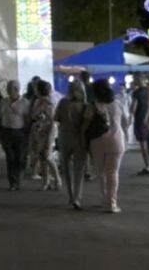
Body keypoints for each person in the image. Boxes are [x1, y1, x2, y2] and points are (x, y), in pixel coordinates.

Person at [86, 79, 127, 213]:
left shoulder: (93, 105)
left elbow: (86, 123)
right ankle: (112, 203)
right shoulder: (117, 103)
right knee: (113, 172)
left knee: (100, 172)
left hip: (97, 141)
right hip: (116, 139)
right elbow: (127, 120)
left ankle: (104, 198)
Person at [55, 80, 88, 209]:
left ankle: (69, 195)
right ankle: (77, 197)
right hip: (79, 137)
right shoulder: (84, 105)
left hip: (64, 136)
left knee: (66, 168)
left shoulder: (63, 102)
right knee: (79, 170)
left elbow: (56, 118)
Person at [0, 80, 30, 191]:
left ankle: (19, 178)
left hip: (20, 132)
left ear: (18, 89)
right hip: (6, 132)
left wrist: (27, 133)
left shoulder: (25, 102)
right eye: (10, 87)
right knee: (10, 158)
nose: (11, 90)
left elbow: (27, 119)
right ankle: (13, 182)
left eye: (14, 87)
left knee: (20, 157)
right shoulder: (3, 102)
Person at [28, 80, 59, 190]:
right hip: (38, 131)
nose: (35, 90)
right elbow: (32, 115)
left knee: (48, 156)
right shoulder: (37, 102)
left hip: (48, 132)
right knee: (42, 157)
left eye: (36, 88)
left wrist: (49, 138)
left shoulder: (49, 104)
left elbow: (52, 121)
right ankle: (46, 182)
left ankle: (57, 179)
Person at [129, 74, 149, 176]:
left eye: (135, 79)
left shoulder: (136, 93)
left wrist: (131, 109)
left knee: (143, 145)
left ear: (139, 80)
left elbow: (133, 109)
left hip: (140, 119)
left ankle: (148, 166)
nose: (134, 81)